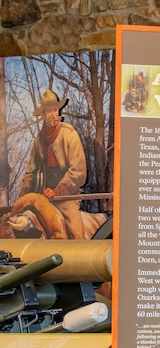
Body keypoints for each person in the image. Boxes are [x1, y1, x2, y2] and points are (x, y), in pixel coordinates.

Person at [21, 89, 87, 239]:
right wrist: (21, 201)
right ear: (42, 116)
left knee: (77, 237)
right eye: (49, 111)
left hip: (67, 198)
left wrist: (57, 191)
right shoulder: (38, 141)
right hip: (43, 199)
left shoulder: (70, 134)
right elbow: (30, 173)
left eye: (55, 110)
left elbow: (79, 172)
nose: (53, 115)